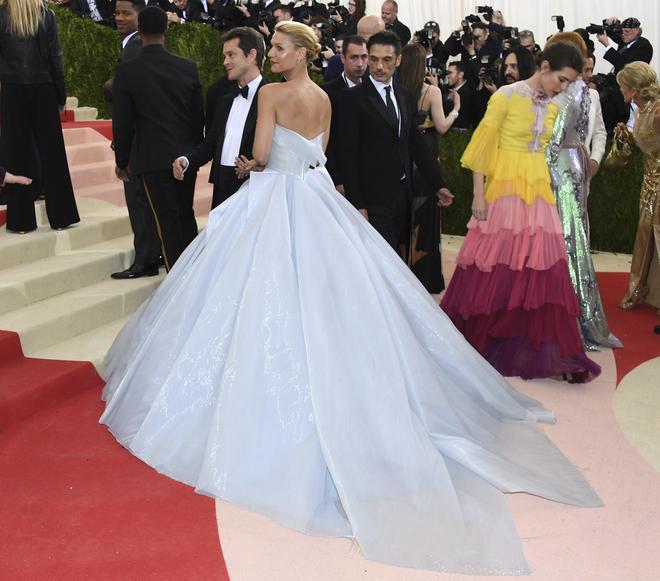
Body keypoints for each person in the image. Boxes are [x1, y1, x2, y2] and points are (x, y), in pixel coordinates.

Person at [100, 20, 601, 577]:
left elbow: (263, 154)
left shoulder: (271, 93)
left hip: (275, 200)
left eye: (283, 49)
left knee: (252, 299)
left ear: (299, 54)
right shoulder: (324, 98)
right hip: (315, 201)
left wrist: (252, 163)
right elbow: (322, 155)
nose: (277, 56)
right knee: (328, 300)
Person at [441, 41, 601, 382]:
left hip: (538, 189)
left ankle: (547, 348)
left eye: (569, 82)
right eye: (561, 79)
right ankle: (478, 341)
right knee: (492, 264)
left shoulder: (555, 106)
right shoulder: (506, 97)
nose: (563, 87)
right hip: (504, 188)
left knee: (538, 266)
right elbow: (482, 147)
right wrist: (478, 196)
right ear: (544, 67)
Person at [339, 31, 453, 251]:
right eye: (374, 59)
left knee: (396, 260)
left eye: (387, 60)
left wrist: (438, 184)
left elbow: (416, 145)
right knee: (383, 264)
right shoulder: (352, 99)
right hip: (371, 200)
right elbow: (347, 155)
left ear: (398, 60)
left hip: (402, 196)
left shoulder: (404, 96)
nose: (379, 66)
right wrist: (358, 204)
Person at [545, 32, 622, 351]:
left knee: (570, 245)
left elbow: (593, 133)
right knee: (565, 247)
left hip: (569, 175)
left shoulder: (579, 94)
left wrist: (591, 160)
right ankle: (571, 320)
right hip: (562, 175)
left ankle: (576, 320)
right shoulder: (564, 92)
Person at [113, 6, 204, 271]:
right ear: (167, 29)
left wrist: (122, 160)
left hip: (151, 160)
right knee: (186, 216)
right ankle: (194, 276)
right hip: (186, 158)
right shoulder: (188, 68)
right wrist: (194, 154)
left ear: (139, 31)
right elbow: (198, 117)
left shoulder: (128, 71)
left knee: (166, 223)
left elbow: (123, 122)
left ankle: (177, 287)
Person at [0, 0, 80, 234]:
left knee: (16, 152)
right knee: (52, 153)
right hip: (43, 86)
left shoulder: (2, 14)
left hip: (12, 88)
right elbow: (55, 57)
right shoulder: (46, 15)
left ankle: (21, 221)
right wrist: (61, 94)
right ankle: (62, 216)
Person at [173, 27, 267, 208]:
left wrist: (258, 164)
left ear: (251, 55)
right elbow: (211, 144)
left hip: (255, 188)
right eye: (225, 56)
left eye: (231, 55)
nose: (225, 62)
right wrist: (187, 160)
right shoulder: (223, 100)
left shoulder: (271, 97)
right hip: (221, 185)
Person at [104, 0, 163, 280]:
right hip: (149, 140)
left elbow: (127, 95)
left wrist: (109, 87)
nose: (119, 18)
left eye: (126, 13)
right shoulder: (132, 46)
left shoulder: (136, 48)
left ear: (141, 17)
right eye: (116, 13)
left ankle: (145, 260)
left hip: (138, 141)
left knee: (139, 201)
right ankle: (152, 252)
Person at [397, 42, 460, 293]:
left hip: (403, 157)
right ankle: (424, 275)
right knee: (425, 215)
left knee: (404, 212)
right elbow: (442, 126)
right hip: (426, 155)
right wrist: (456, 109)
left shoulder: (397, 89)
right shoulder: (431, 92)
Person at [617, 62, 660, 315]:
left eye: (622, 86)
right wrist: (628, 136)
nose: (620, 90)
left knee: (656, 234)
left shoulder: (657, 113)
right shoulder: (642, 110)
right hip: (650, 181)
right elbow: (649, 143)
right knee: (646, 235)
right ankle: (642, 290)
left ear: (633, 89)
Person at [321, 34, 368, 190]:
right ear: (343, 58)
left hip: (369, 176)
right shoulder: (327, 92)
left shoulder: (372, 90)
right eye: (354, 57)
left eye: (364, 57)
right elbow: (326, 141)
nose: (360, 63)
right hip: (340, 177)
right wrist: (336, 180)